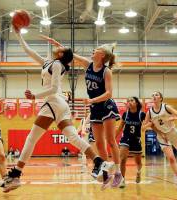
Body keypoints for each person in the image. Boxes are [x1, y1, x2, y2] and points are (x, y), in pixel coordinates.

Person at [2, 32, 112, 193]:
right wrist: (18, 35)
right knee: (73, 137)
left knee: (31, 138)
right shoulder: (49, 62)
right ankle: (98, 161)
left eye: (60, 48)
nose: (57, 47)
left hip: (53, 101)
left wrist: (34, 97)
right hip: (60, 104)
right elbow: (28, 51)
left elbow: (53, 89)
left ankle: (16, 174)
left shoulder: (57, 65)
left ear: (61, 54)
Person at [42, 35, 122, 189]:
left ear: (102, 55)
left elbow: (109, 93)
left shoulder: (106, 71)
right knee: (99, 143)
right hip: (95, 108)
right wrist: (59, 45)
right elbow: (71, 55)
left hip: (106, 106)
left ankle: (118, 173)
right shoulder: (88, 64)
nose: (93, 51)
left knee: (111, 140)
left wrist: (91, 100)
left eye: (96, 50)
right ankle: (106, 174)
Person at [142, 91, 177, 190]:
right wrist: (149, 125)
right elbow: (143, 128)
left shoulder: (166, 107)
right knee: (171, 158)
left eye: (156, 95)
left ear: (160, 98)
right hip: (162, 136)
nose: (154, 96)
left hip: (173, 133)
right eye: (153, 95)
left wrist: (173, 118)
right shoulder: (149, 112)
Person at [116, 97, 145, 188]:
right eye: (128, 101)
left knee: (138, 162)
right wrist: (113, 138)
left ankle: (139, 172)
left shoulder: (141, 114)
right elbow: (120, 127)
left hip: (136, 139)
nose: (129, 102)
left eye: (132, 100)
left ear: (136, 103)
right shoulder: (125, 114)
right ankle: (122, 179)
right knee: (123, 159)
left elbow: (150, 123)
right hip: (125, 138)